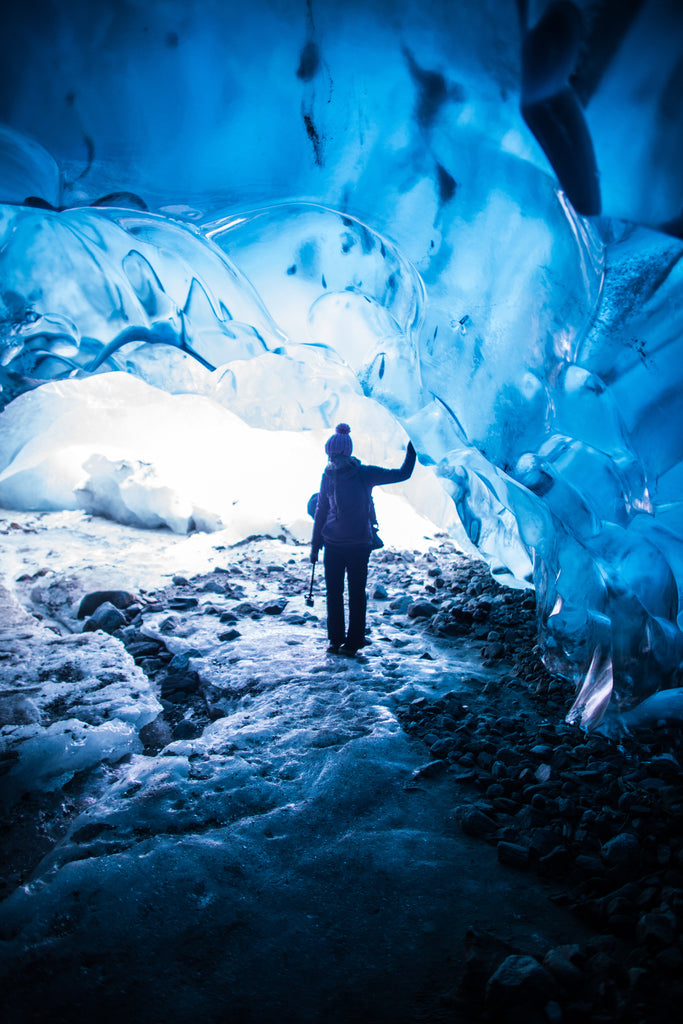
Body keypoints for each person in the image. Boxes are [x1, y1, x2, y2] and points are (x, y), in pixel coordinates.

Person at [311, 423, 416, 656]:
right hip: (333, 545)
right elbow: (321, 509)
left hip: (359, 546)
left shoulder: (365, 473)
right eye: (329, 455)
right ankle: (335, 639)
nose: (332, 459)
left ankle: (354, 642)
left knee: (356, 594)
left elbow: (402, 474)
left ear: (346, 454)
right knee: (333, 593)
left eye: (336, 455)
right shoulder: (327, 476)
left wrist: (413, 449)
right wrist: (315, 545)